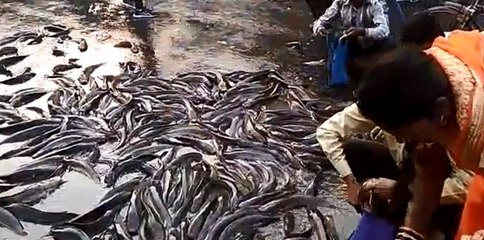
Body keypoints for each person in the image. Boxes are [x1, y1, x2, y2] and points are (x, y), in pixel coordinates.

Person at [316, 12, 470, 239]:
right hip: (422, 173)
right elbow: (327, 131)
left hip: (457, 188)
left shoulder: (464, 123)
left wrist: (400, 192)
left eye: (404, 134)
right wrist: (352, 182)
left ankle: (437, 228)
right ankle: (395, 215)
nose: (399, 140)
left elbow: (467, 185)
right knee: (359, 152)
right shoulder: (389, 91)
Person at [354, 29, 484, 239]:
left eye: (407, 134)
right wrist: (411, 234)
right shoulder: (437, 74)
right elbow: (429, 168)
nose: (401, 142)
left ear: (441, 111)